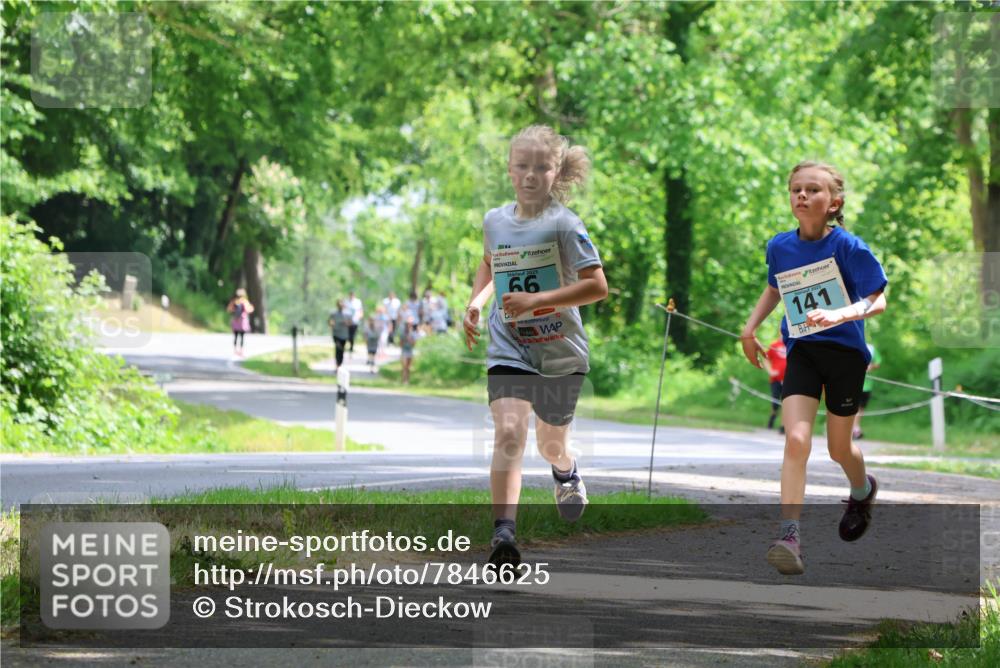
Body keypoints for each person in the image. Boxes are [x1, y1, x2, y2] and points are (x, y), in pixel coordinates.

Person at [463, 125, 608, 567]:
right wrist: (475, 302)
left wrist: (537, 301)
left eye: (540, 167)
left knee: (550, 444)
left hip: (560, 350)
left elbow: (597, 286)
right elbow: (490, 263)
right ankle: (503, 535)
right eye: (521, 166)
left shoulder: (565, 224)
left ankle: (564, 470)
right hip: (509, 344)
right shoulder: (494, 220)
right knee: (509, 433)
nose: (530, 175)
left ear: (555, 171)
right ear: (509, 169)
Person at [740, 161, 887, 576]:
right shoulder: (780, 246)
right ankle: (789, 534)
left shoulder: (849, 248)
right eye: (795, 190)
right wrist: (750, 328)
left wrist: (844, 314)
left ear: (834, 203)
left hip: (844, 354)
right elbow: (775, 287)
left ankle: (862, 490)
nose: (802, 196)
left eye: (813, 190)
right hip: (802, 351)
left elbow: (878, 299)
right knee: (796, 439)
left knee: (838, 447)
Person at [853, 342, 881, 439]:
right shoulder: (851, 343)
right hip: (851, 383)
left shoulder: (871, 348)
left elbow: (878, 362)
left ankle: (855, 429)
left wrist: (871, 367)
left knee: (860, 408)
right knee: (850, 406)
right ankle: (853, 429)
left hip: (867, 385)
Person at [763, 332, 787, 434]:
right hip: (776, 380)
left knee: (786, 402)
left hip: (788, 380)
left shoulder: (791, 345)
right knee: (775, 402)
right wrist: (770, 371)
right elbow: (765, 358)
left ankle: (783, 426)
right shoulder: (774, 345)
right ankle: (772, 417)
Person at [226, 288, 254, 356]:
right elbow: (248, 310)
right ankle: (241, 351)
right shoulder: (244, 301)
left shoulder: (234, 301)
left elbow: (229, 309)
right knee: (242, 336)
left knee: (235, 336)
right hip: (242, 321)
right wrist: (252, 308)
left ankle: (235, 350)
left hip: (235, 321)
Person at [328, 300, 351, 371]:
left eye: (342, 305)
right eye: (339, 305)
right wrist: (332, 324)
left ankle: (340, 364)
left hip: (344, 334)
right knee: (337, 348)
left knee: (341, 350)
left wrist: (346, 323)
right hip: (336, 334)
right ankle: (337, 365)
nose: (340, 306)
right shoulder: (333, 313)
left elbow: (350, 323)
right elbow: (330, 321)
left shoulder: (347, 314)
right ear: (337, 305)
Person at [399, 318, 418, 384]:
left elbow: (414, 344)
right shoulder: (403, 333)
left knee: (408, 367)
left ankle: (407, 380)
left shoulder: (413, 333)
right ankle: (404, 380)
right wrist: (405, 340)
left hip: (410, 351)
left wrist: (411, 341)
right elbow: (400, 344)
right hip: (404, 351)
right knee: (404, 366)